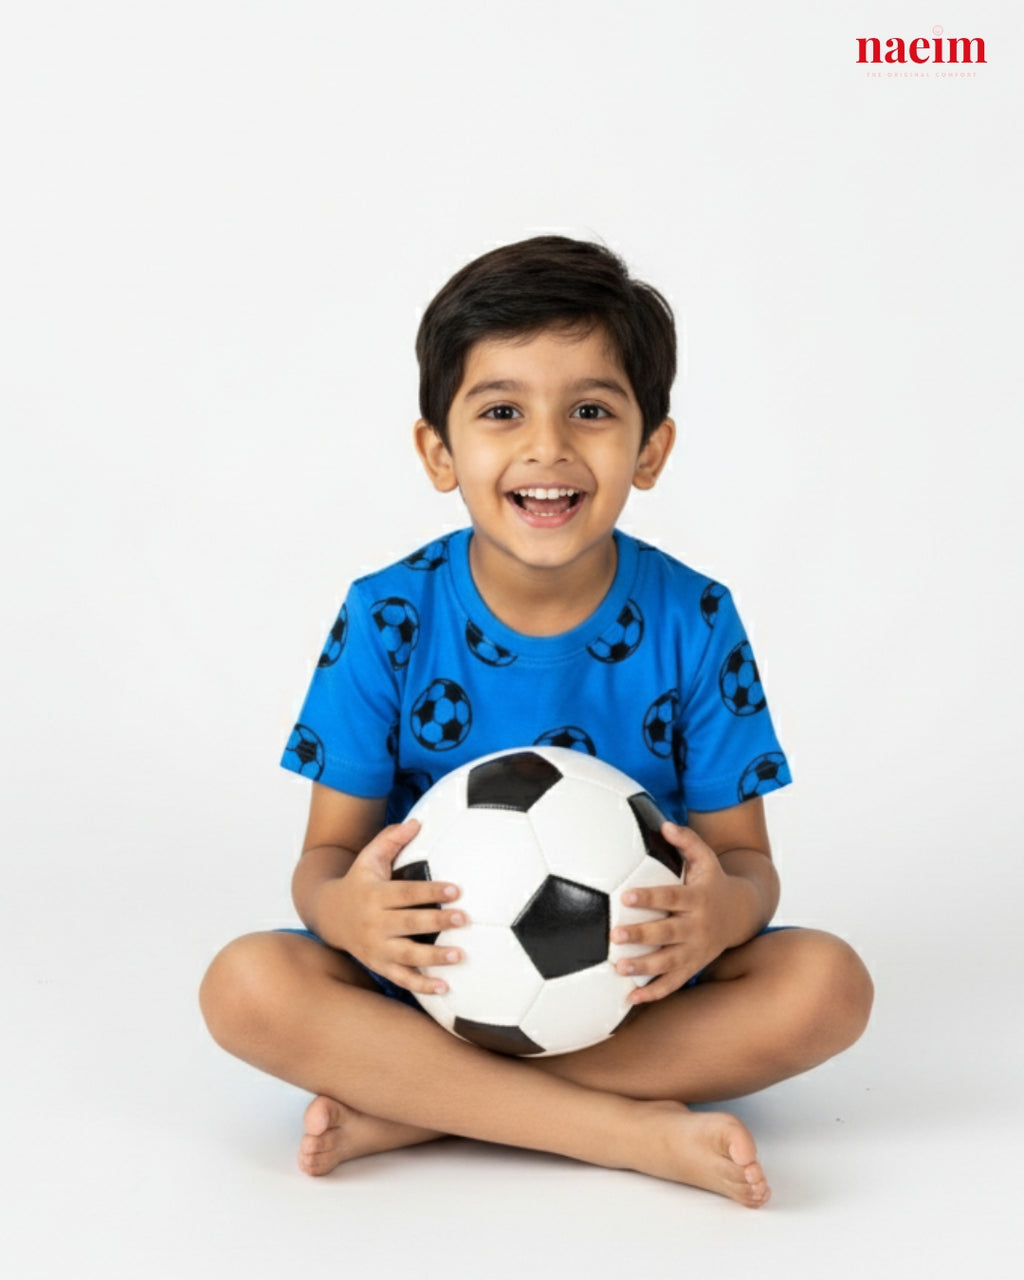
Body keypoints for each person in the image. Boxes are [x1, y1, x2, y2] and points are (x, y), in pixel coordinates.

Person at [199, 236, 873, 1208]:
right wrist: (347, 913)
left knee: (828, 984)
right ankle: (622, 1130)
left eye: (590, 411)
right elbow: (324, 860)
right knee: (244, 984)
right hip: (422, 984)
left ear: (650, 448)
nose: (547, 447)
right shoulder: (388, 616)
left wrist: (721, 913)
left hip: (637, 989)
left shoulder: (694, 618)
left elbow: (748, 864)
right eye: (502, 410)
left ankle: (421, 1104)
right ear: (439, 450)